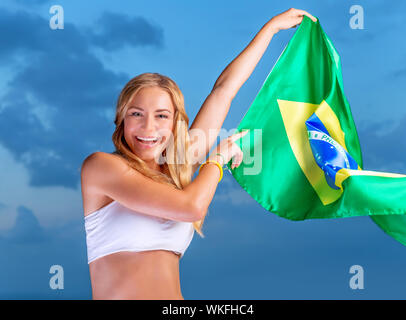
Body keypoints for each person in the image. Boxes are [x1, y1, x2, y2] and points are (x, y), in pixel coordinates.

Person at [81, 8, 316, 300]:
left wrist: (270, 30)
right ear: (122, 118)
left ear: (176, 122)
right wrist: (216, 160)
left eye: (162, 116)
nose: (148, 127)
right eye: (136, 114)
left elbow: (223, 91)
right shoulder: (101, 168)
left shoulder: (176, 166)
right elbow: (190, 208)